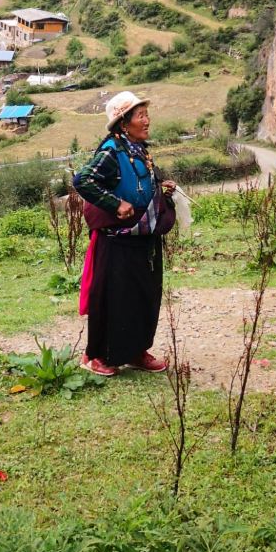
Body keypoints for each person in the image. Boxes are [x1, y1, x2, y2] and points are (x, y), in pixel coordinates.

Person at [72, 90, 176, 376]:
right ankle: (96, 356)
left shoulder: (138, 149)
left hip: (142, 235)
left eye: (146, 114)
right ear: (123, 122)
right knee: (113, 297)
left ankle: (135, 350)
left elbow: (140, 184)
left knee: (144, 294)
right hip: (117, 239)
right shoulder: (111, 151)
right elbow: (84, 181)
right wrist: (116, 204)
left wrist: (161, 189)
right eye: (140, 115)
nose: (147, 120)